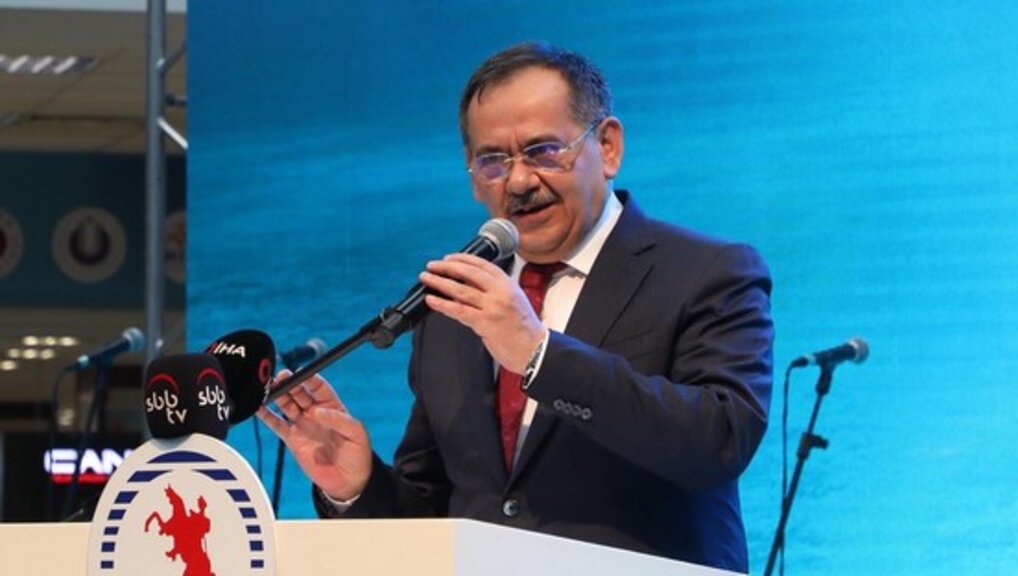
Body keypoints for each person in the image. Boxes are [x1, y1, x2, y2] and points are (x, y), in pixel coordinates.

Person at [258, 41, 773, 573]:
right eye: (493, 161)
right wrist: (357, 484)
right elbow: (436, 516)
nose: (520, 181)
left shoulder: (707, 272)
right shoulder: (455, 305)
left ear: (608, 147)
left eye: (543, 151)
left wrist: (538, 355)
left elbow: (718, 443)